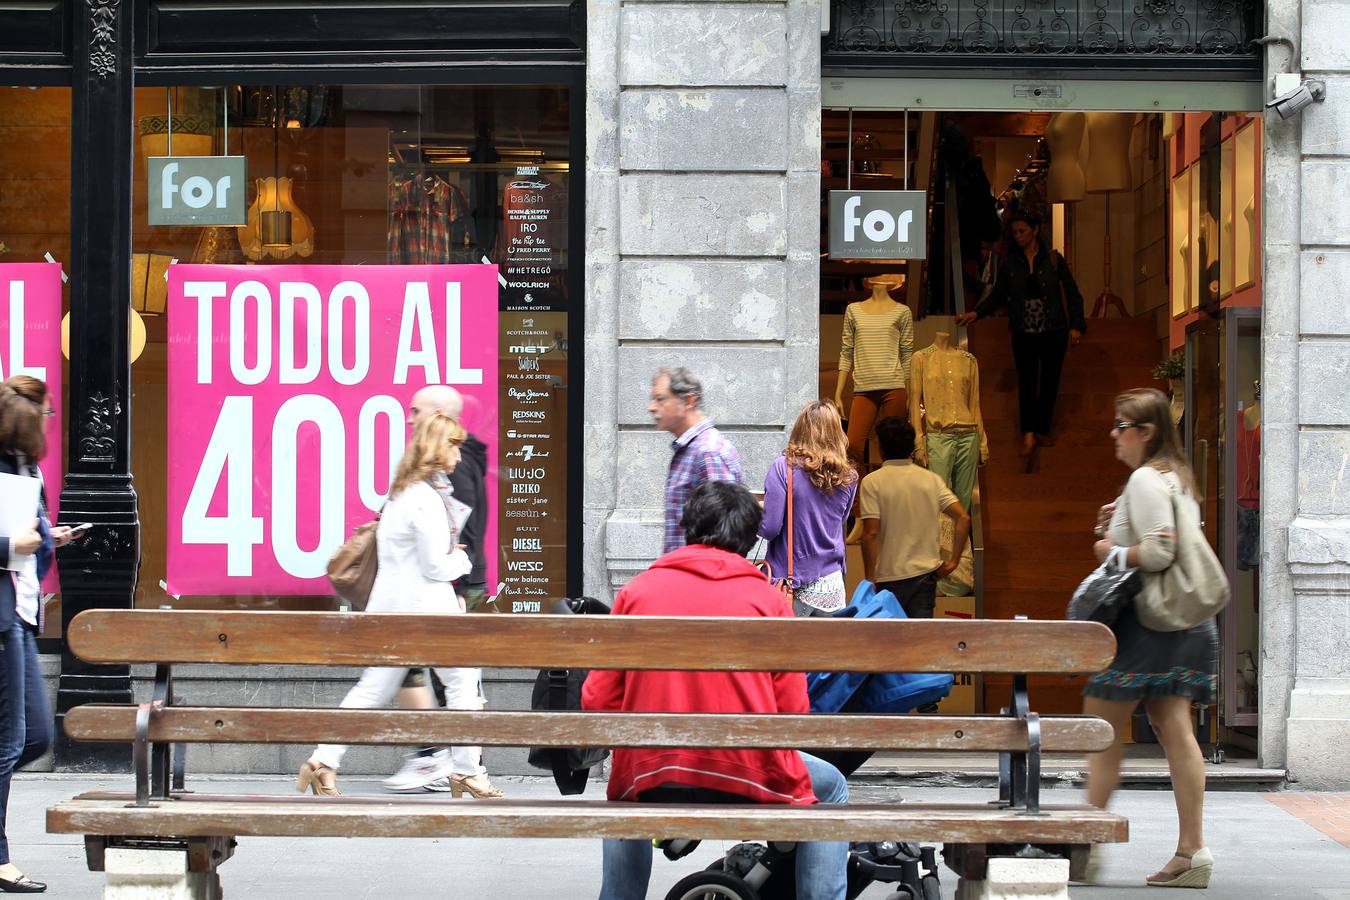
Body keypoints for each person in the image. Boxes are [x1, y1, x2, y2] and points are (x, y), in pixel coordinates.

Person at [584, 481, 848, 900]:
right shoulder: (768, 601)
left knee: (625, 789)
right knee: (832, 786)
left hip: (655, 771)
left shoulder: (636, 593)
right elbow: (793, 710)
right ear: (747, 540)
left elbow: (596, 700)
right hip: (751, 772)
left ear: (688, 528)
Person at [298, 412, 504, 799]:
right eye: (455, 445)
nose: (459, 455)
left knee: (371, 690)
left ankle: (323, 760)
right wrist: (461, 559)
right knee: (462, 684)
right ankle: (467, 771)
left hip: (392, 613)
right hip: (426, 615)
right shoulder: (424, 499)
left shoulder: (400, 494)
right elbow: (435, 565)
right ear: (437, 447)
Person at [1083, 388, 1217, 888]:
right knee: (1173, 727)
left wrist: (1108, 551)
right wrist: (1114, 528)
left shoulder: (1143, 477)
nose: (1113, 434)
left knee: (1099, 726)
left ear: (1146, 433)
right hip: (1185, 620)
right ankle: (1191, 852)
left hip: (1145, 622)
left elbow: (1160, 551)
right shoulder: (1176, 477)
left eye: (1121, 425)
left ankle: (1084, 841)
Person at [386, 385, 493, 793]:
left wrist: (456, 581)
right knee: (447, 673)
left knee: (414, 668)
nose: (409, 416)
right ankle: (454, 761)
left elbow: (453, 531)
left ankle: (435, 757)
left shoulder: (454, 462)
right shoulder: (447, 460)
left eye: (416, 410)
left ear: (439, 415)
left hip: (447, 585)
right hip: (446, 583)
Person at [0, 376, 78, 894]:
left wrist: (49, 537)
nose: (49, 423)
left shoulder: (29, 470)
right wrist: (13, 544)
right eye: (46, 415)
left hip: (24, 614)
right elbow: (12, 541)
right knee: (9, 739)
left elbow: (33, 536)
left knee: (36, 738)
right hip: (3, 617)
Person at [956, 210, 1086, 457]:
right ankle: (1028, 431)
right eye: (1015, 232)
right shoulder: (1011, 265)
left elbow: (1071, 292)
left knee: (1049, 381)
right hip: (1023, 330)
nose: (1018, 236)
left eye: (1022, 231)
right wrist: (977, 313)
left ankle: (1041, 429)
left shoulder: (1053, 259)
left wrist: (1076, 325)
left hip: (1052, 329)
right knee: (1027, 381)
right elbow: (998, 295)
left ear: (1035, 230)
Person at [858, 418, 970, 620]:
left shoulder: (872, 482)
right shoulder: (930, 479)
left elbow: (871, 533)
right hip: (926, 576)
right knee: (920, 642)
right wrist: (953, 562)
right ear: (911, 446)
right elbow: (963, 518)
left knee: (889, 644)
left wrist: (869, 578)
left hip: (888, 577)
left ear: (882, 448)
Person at [759, 401, 857, 617]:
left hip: (792, 584)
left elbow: (770, 528)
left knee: (787, 650)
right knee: (825, 651)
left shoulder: (784, 467)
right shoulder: (849, 477)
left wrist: (756, 511)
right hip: (832, 586)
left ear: (800, 429)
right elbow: (840, 521)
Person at [648, 367, 742, 554]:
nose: (651, 407)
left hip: (698, 578)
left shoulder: (708, 452)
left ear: (688, 401)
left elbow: (722, 537)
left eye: (660, 399)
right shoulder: (692, 450)